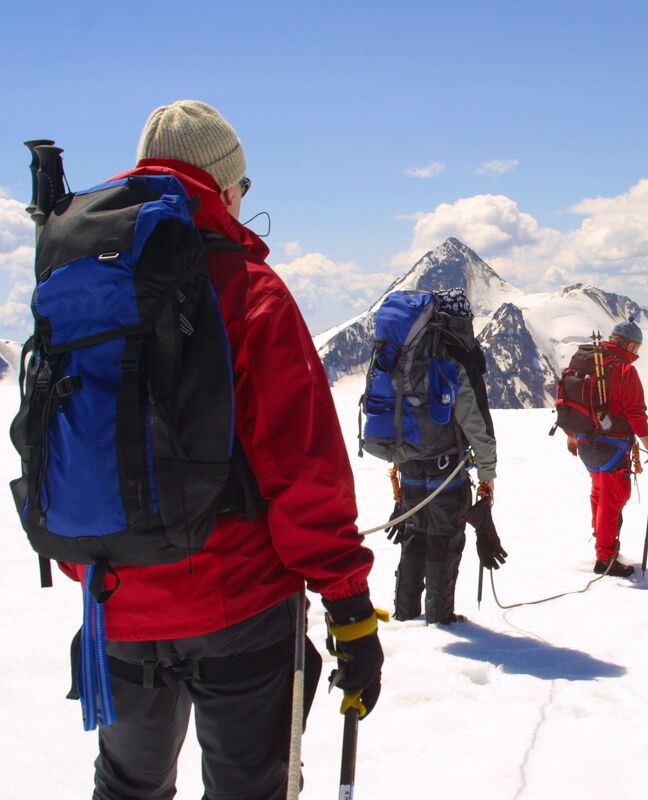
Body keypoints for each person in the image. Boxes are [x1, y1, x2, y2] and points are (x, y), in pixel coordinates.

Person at [56, 100, 383, 799]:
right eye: (244, 185)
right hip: (240, 607)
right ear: (225, 186)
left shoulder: (81, 283)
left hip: (116, 599)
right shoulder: (248, 290)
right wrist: (348, 608)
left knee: (125, 788)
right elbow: (302, 469)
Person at [388, 300, 498, 625]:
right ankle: (439, 617)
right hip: (446, 469)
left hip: (408, 466)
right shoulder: (455, 364)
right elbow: (474, 423)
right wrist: (488, 474)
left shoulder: (404, 358)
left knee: (414, 535)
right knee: (443, 541)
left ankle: (405, 613)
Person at [564, 321, 648, 577]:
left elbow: (568, 400)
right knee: (612, 500)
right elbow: (636, 414)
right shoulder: (623, 369)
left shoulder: (583, 361)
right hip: (613, 446)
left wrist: (572, 436)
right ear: (630, 345)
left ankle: (603, 544)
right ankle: (605, 558)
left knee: (599, 495)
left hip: (586, 443)